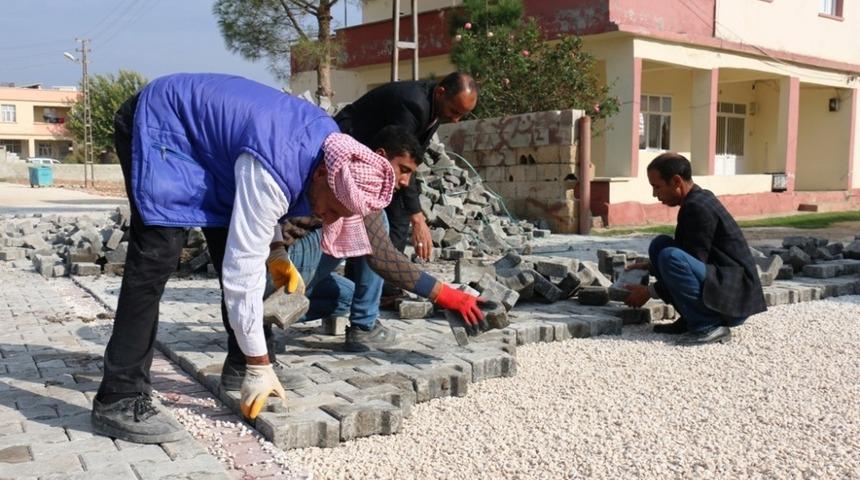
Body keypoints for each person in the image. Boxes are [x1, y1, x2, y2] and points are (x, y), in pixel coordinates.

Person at [91, 73, 413, 444]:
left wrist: (276, 252)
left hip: (219, 151)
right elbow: (241, 268)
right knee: (156, 257)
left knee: (236, 242)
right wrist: (263, 365)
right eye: (334, 209)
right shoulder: (277, 165)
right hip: (162, 124)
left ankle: (241, 363)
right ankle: (120, 395)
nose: (330, 219)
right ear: (324, 173)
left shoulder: (323, 151)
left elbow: (268, 196)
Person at [308, 72, 478, 348]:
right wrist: (418, 217)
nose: (456, 119)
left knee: (353, 289)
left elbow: (407, 163)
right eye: (454, 111)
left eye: (463, 115)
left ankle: (367, 305)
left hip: (359, 168)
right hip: (350, 162)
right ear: (441, 92)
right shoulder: (412, 105)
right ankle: (363, 325)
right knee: (377, 232)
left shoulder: (433, 107)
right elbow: (403, 158)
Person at [286, 126, 487, 352]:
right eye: (403, 169)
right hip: (276, 264)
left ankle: (266, 315)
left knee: (347, 297)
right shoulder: (353, 179)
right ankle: (363, 328)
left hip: (287, 269)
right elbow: (383, 257)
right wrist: (447, 295)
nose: (404, 181)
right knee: (375, 221)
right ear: (380, 156)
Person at [623, 152, 766, 345]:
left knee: (669, 256)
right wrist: (649, 266)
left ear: (676, 181)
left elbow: (688, 263)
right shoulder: (695, 200)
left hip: (735, 299)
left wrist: (649, 291)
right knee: (660, 245)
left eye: (657, 187)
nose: (655, 194)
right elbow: (692, 255)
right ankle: (691, 319)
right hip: (723, 284)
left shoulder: (698, 207)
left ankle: (708, 325)